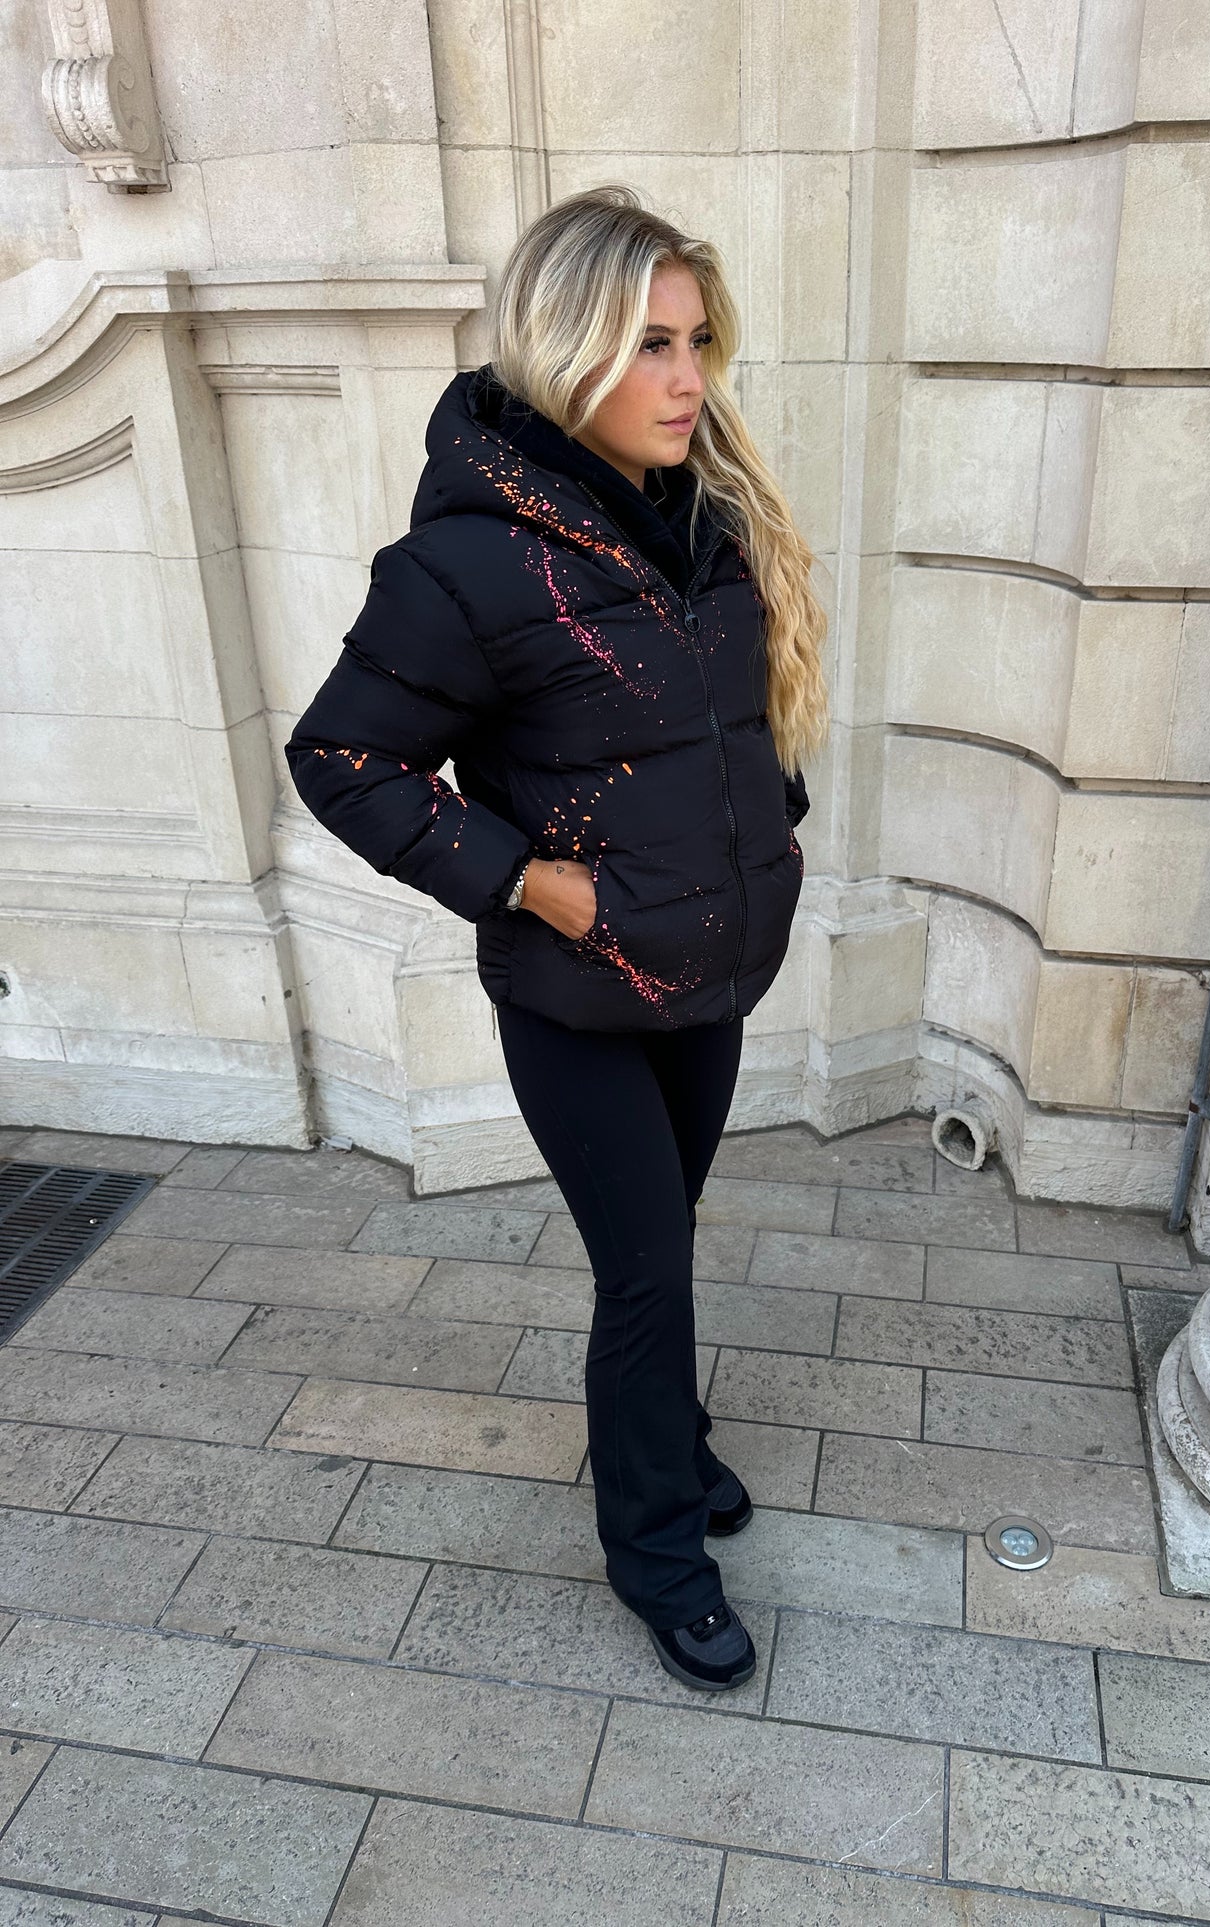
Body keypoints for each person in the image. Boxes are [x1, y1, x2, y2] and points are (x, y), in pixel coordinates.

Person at [285, 184, 830, 1692]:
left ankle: (673, 1444)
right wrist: (528, 880)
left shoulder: (708, 521)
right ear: (564, 346)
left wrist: (768, 830)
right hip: (577, 990)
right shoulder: (465, 566)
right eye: (649, 344)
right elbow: (341, 758)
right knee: (644, 1272)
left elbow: (732, 728)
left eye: (697, 341)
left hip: (709, 969)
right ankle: (658, 1552)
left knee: (667, 1248)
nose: (687, 378)